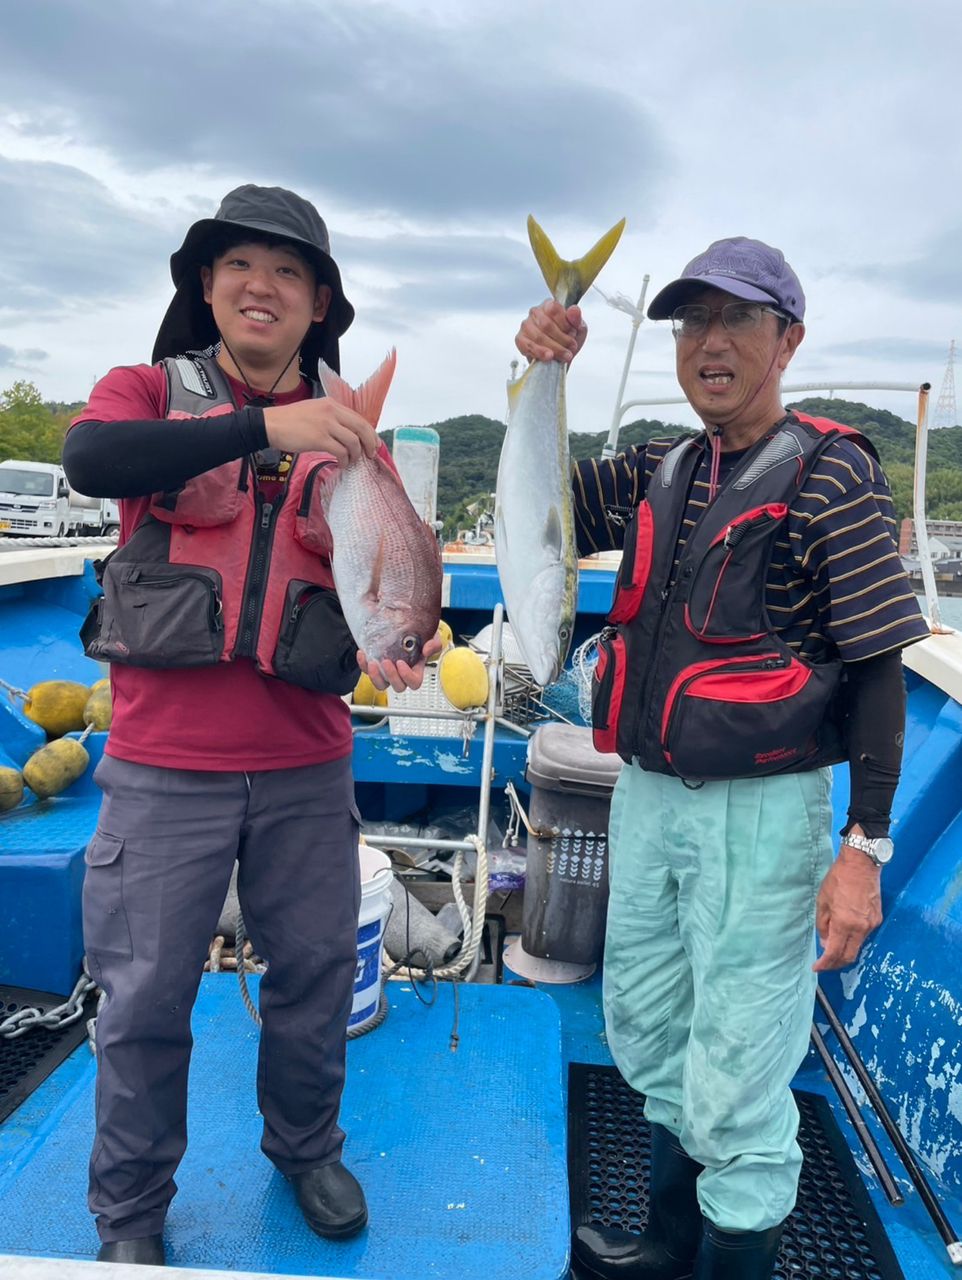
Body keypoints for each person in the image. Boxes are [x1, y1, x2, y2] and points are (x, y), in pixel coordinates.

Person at [516, 237, 929, 1280]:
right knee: (647, 1024)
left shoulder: (832, 473)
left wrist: (862, 850)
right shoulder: (660, 466)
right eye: (690, 323)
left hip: (762, 810)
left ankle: (729, 1261)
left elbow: (879, 671)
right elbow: (539, 501)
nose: (708, 343)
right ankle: (663, 1244)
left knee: (740, 1059)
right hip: (647, 793)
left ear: (784, 339)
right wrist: (538, 365)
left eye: (735, 321)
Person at [63, 184, 437, 1266]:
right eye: (237, 265)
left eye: (287, 270)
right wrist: (268, 423)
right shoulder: (147, 389)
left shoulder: (357, 439)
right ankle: (130, 1215)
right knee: (142, 1001)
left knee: (315, 973)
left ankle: (304, 1145)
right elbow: (92, 461)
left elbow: (384, 577)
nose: (259, 285)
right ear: (205, 285)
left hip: (305, 766)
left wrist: (397, 627)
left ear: (320, 302)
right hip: (161, 766)